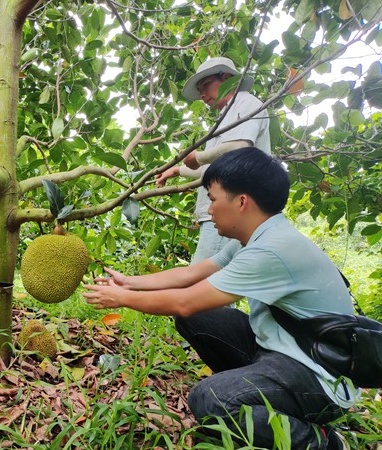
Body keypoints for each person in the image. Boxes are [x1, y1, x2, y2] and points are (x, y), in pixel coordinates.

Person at [84, 148, 355, 450]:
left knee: (209, 400)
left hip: (319, 379)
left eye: (213, 199)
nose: (209, 210)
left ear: (241, 202)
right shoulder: (255, 238)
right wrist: (129, 283)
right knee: (197, 319)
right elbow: (190, 275)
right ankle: (250, 393)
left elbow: (184, 300)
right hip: (283, 350)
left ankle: (323, 442)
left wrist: (121, 298)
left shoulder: (272, 250)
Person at [155, 57, 271, 264]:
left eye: (205, 85)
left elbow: (240, 147)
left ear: (226, 78)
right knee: (223, 286)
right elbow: (212, 171)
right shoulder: (225, 118)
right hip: (224, 212)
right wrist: (176, 171)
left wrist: (198, 157)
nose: (202, 94)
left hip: (231, 209)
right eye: (199, 89)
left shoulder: (245, 102)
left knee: (200, 283)